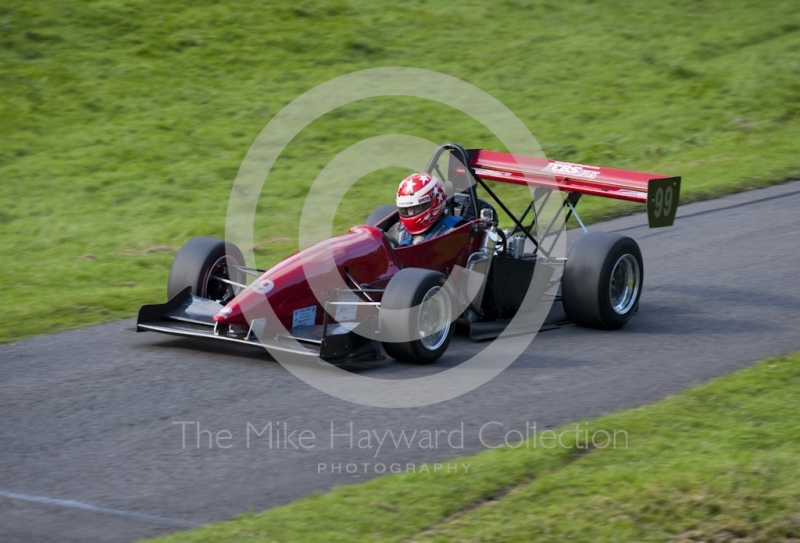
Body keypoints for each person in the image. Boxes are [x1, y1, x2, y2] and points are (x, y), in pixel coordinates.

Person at [388, 172, 464, 246]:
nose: (410, 213)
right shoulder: (397, 231)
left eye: (416, 208)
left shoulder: (453, 235)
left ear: (434, 203)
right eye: (406, 209)